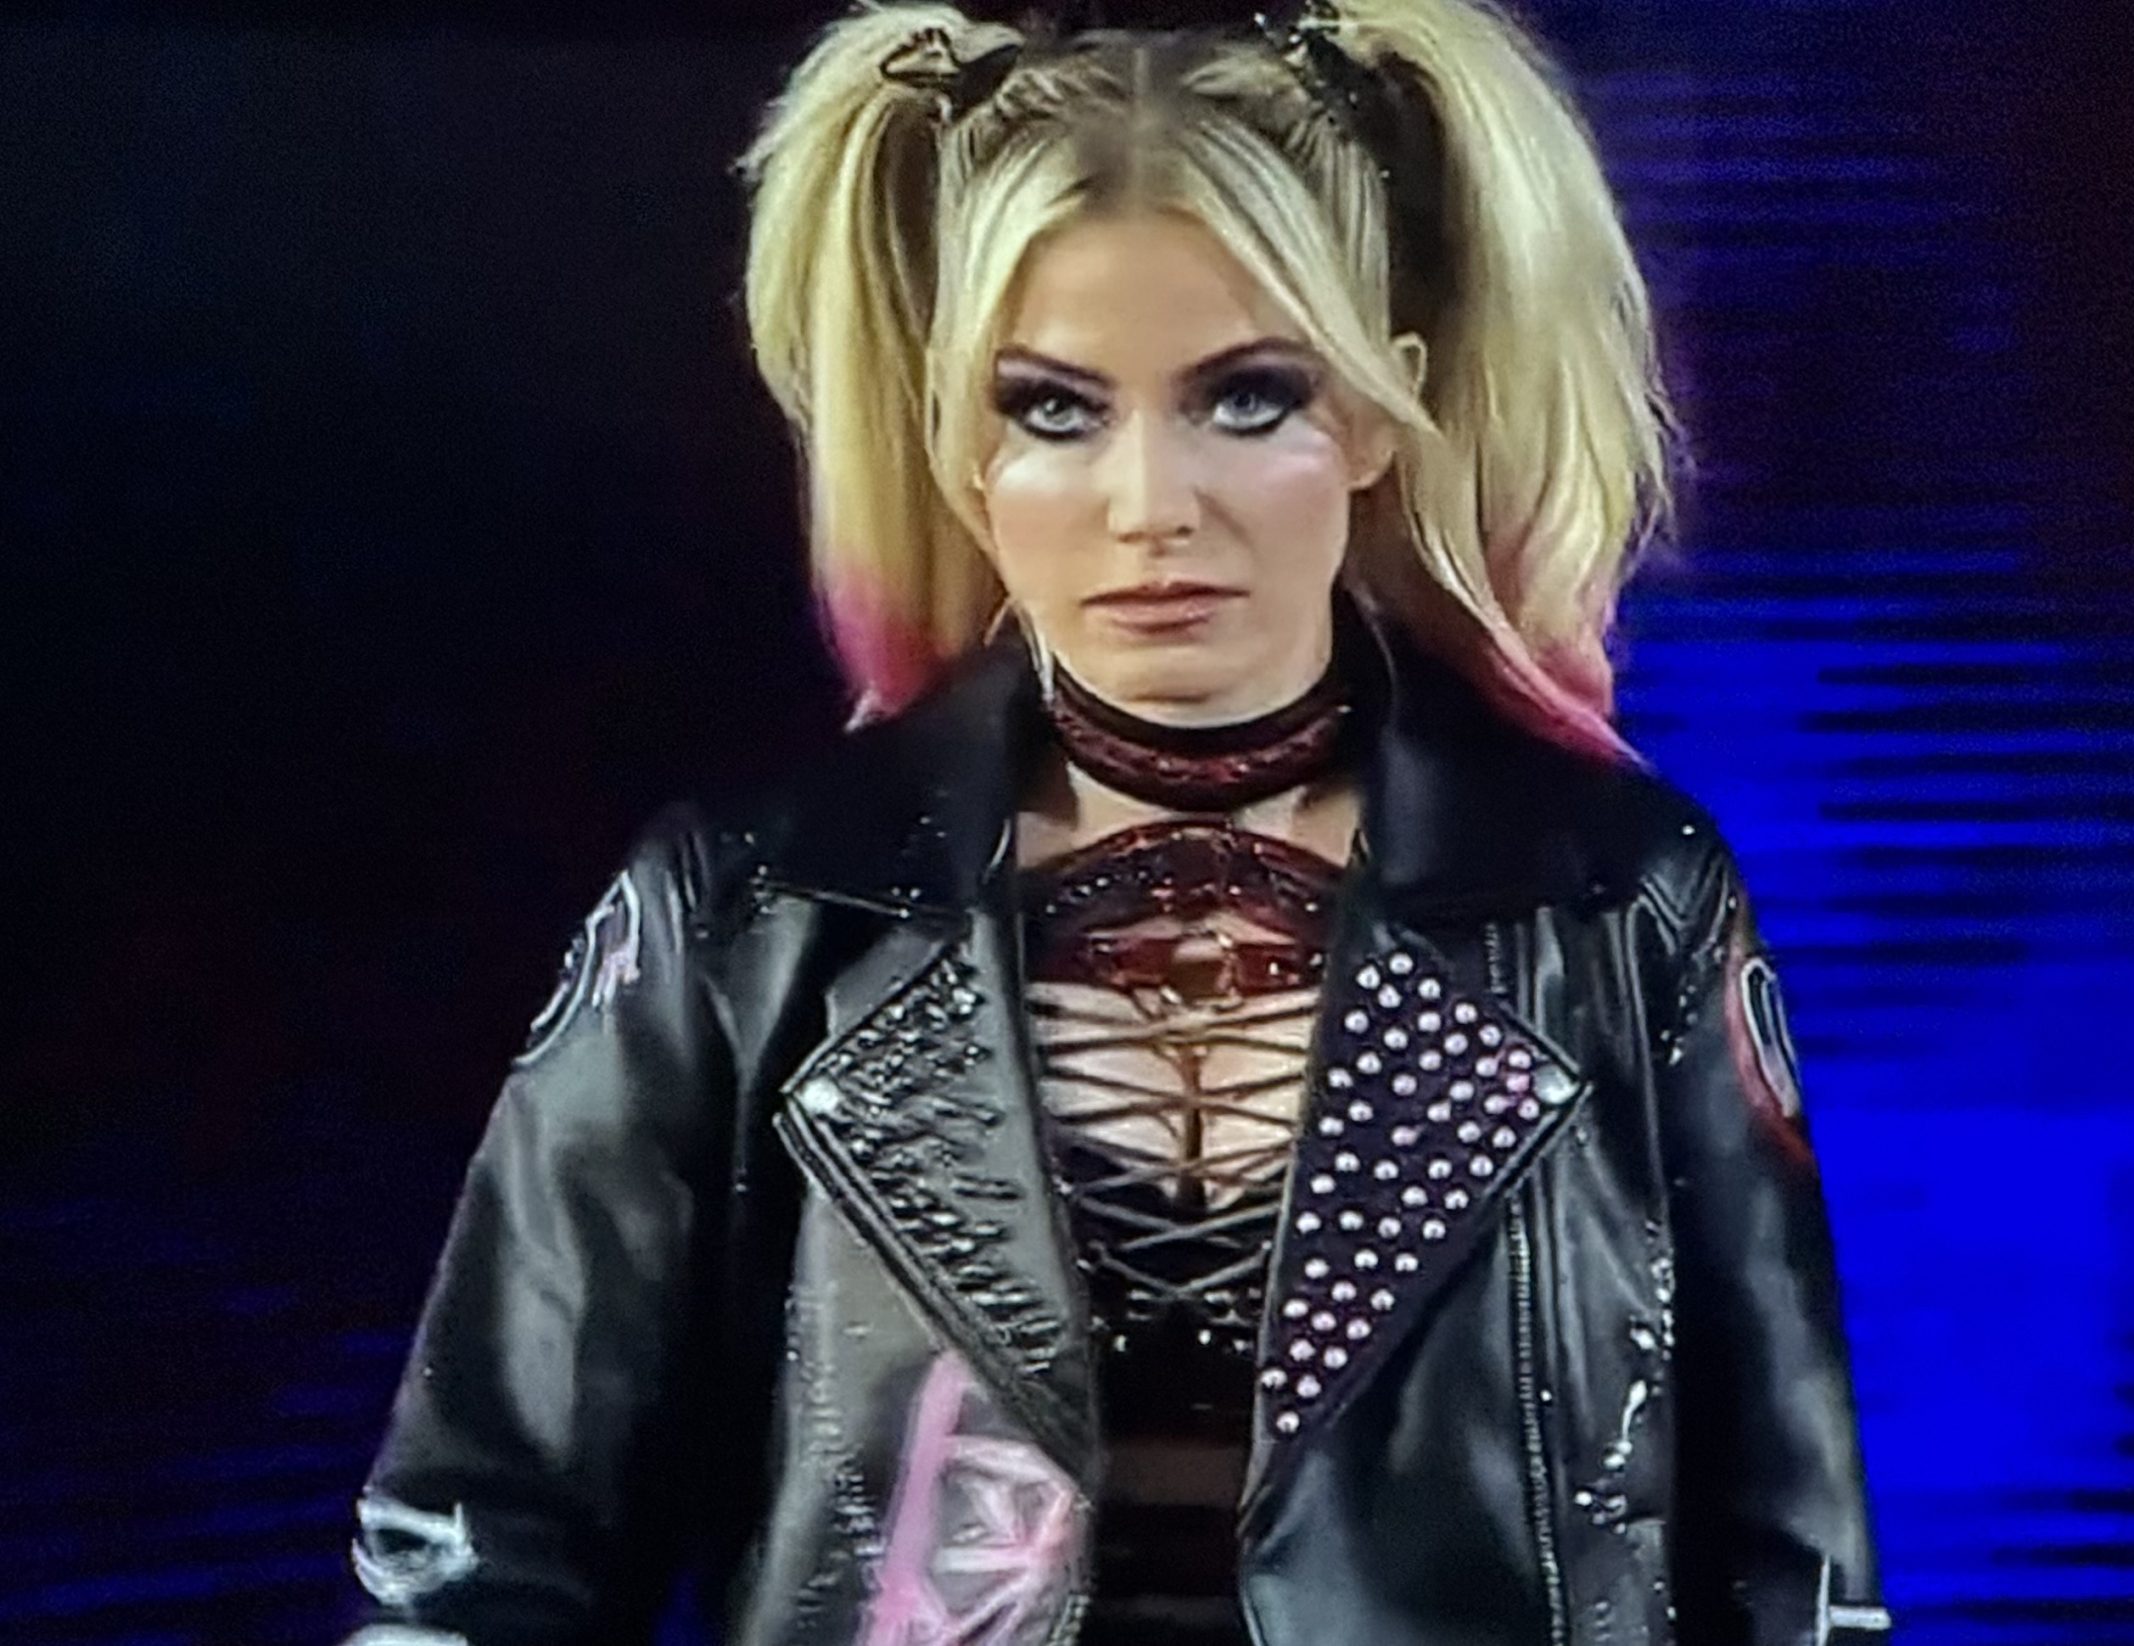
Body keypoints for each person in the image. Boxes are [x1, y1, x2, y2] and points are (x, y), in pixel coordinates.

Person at [339, 1, 1891, 1642]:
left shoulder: (1615, 902)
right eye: (1056, 409)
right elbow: (479, 1549)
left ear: (1380, 412)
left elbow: (1796, 1574)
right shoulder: (751, 910)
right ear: (958, 441)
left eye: (1248, 398)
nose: (1153, 506)